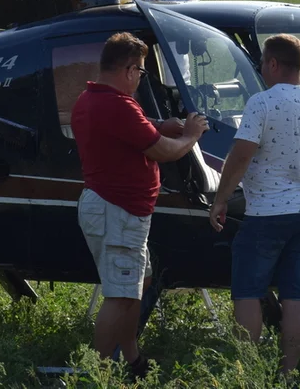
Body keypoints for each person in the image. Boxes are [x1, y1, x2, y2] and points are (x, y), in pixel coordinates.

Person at [72, 32, 209, 376]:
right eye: (142, 72)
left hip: (117, 211)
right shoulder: (117, 105)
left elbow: (129, 133)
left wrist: (160, 125)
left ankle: (132, 358)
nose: (140, 78)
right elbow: (162, 151)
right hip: (117, 212)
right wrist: (191, 135)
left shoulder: (91, 99)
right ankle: (98, 374)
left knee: (137, 285)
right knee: (118, 297)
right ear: (130, 70)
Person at [208, 34, 300, 375]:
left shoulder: (262, 103)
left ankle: (249, 370)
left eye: (262, 65)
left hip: (266, 214)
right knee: (296, 295)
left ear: (272, 64)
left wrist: (220, 199)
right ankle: (288, 372)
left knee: (248, 291)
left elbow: (241, 154)